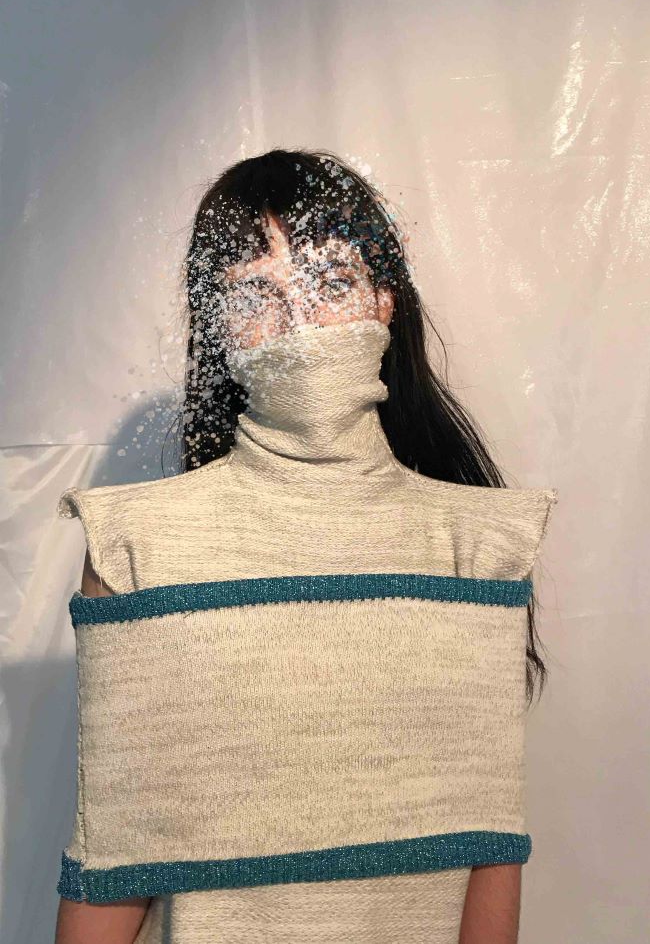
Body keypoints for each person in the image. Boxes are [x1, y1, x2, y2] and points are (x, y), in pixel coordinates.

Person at [54, 148, 557, 944]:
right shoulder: (135, 544)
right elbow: (115, 856)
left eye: (330, 282)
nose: (296, 322)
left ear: (385, 300)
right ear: (219, 328)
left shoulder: (477, 544)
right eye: (255, 293)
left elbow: (488, 838)